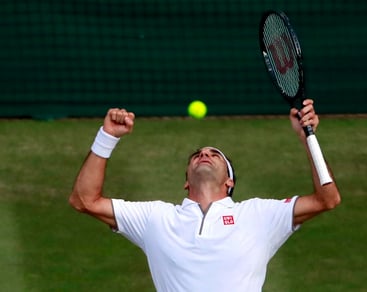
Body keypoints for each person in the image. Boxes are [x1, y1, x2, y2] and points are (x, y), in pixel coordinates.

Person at [69, 99, 340, 292]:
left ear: (229, 181)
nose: (204, 154)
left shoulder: (259, 215)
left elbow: (327, 199)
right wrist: (107, 136)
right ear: (186, 182)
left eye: (214, 154)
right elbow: (84, 200)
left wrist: (308, 137)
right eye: (198, 154)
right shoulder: (155, 218)